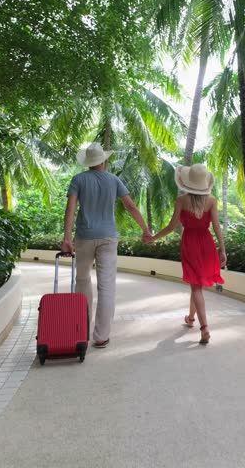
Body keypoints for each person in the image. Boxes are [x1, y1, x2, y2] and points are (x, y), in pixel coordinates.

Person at [60, 142, 152, 349]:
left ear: (88, 162)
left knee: (82, 280)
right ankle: (101, 336)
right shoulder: (114, 180)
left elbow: (70, 209)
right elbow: (130, 206)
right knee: (107, 285)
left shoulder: (78, 180)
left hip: (84, 237)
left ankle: (82, 331)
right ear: (103, 160)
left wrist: (67, 239)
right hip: (108, 238)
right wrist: (145, 230)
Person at [151, 164, 226, 344]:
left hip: (190, 243)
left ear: (188, 182)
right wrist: (223, 249)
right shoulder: (211, 201)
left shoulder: (181, 200)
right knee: (196, 284)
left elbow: (171, 227)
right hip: (207, 243)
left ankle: (204, 328)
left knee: (196, 287)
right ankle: (191, 318)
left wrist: (153, 238)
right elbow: (216, 226)